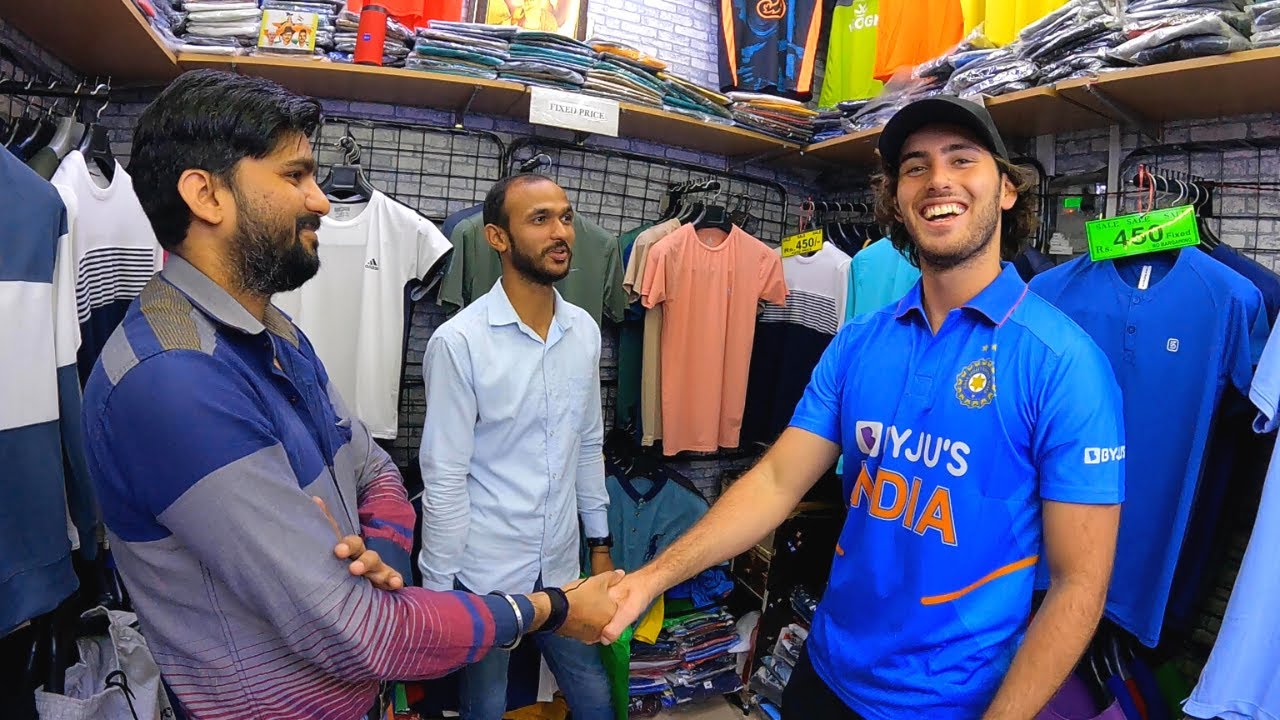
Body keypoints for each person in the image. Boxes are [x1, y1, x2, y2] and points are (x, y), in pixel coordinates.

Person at [80, 69, 621, 720]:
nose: (321, 201)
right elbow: (366, 634)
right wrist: (550, 608)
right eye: (294, 176)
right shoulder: (172, 381)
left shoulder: (274, 331)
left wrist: (378, 566)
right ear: (206, 195)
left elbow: (377, 472)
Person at [603, 96, 1127, 720]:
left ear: (1008, 189)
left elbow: (1079, 586)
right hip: (824, 673)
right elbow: (774, 480)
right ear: (897, 199)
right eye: (916, 166)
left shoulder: (1066, 363)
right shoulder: (860, 341)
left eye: (963, 159)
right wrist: (650, 578)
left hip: (952, 702)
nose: (938, 179)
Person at [417, 173, 614, 720]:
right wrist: (438, 592)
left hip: (560, 559)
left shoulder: (583, 332)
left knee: (592, 691)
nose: (562, 233)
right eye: (540, 219)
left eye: (566, 217)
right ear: (497, 239)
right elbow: (445, 474)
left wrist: (599, 541)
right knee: (484, 703)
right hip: (484, 570)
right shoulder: (459, 343)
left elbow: (588, 441)